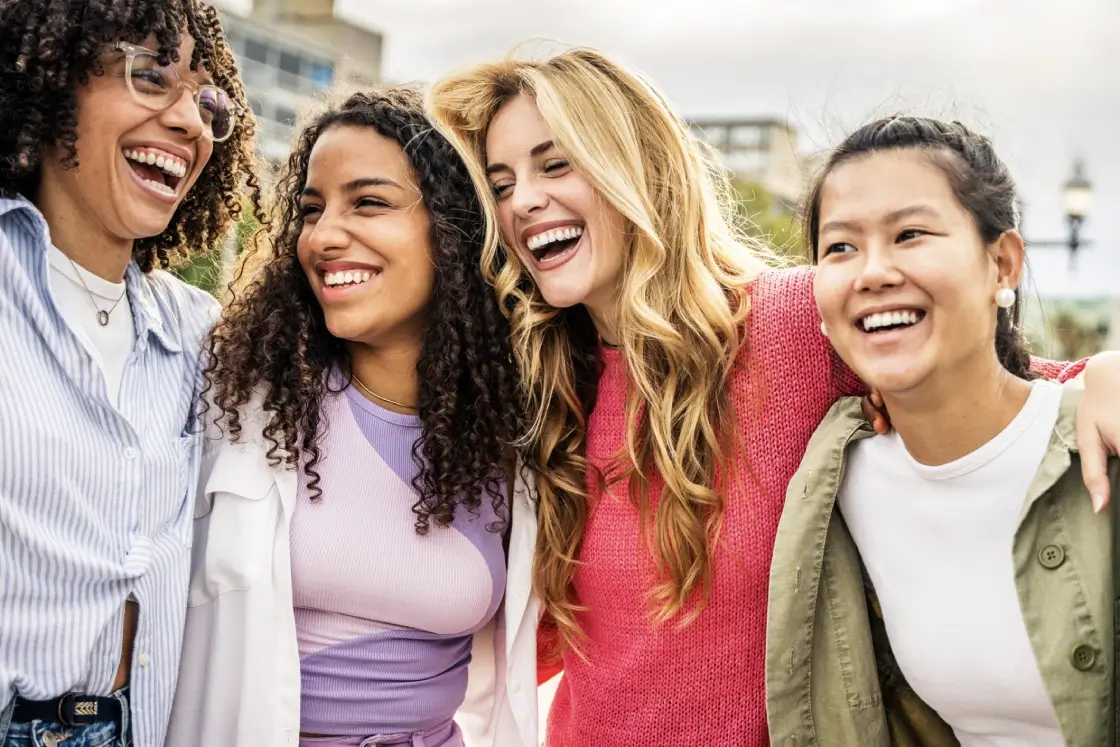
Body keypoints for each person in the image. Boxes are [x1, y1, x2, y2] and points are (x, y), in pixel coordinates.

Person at [427, 48, 1120, 746]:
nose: (523, 201)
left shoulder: (790, 326)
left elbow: (1000, 384)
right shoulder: (538, 390)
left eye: (555, 163)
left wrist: (1106, 372)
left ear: (636, 167)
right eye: (503, 182)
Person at [167, 87, 538, 747]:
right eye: (311, 210)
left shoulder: (516, 436)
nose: (325, 236)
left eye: (368, 202)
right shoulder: (238, 396)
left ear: (454, 229)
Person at [766, 116, 1116, 746]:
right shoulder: (835, 482)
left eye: (911, 234)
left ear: (1002, 264)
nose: (872, 272)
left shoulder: (1100, 441)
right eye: (839, 247)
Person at [0, 1, 259, 745]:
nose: (189, 121)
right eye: (151, 75)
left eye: (209, 101)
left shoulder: (200, 334)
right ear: (47, 79)